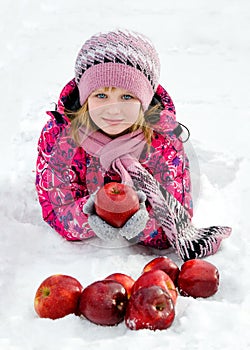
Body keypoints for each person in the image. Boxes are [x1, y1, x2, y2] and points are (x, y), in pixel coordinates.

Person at [35, 29, 231, 261]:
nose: (113, 109)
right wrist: (93, 214)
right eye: (101, 96)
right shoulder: (60, 138)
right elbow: (57, 210)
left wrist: (141, 220)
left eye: (127, 97)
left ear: (144, 100)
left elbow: (176, 215)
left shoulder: (163, 141)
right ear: (85, 98)